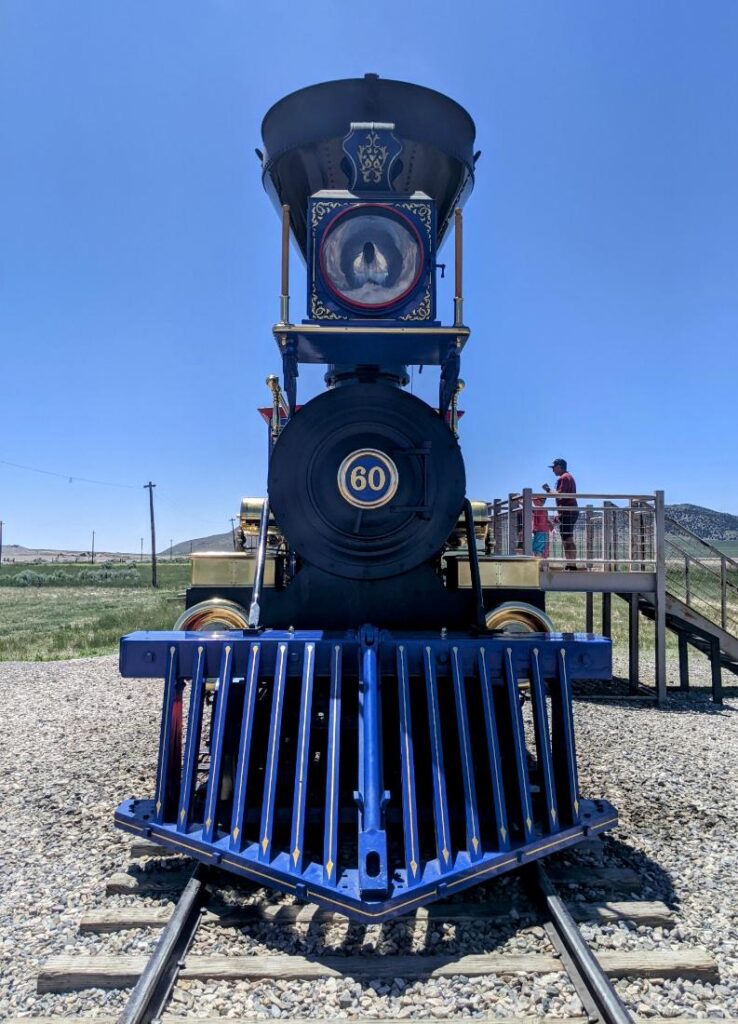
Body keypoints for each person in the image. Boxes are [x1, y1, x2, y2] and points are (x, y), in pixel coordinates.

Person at [543, 458, 579, 569]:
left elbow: (560, 495)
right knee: (567, 538)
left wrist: (548, 490)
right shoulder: (568, 477)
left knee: (567, 539)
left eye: (554, 467)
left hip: (568, 512)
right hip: (568, 511)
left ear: (559, 466)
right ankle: (571, 564)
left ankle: (572, 564)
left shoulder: (564, 478)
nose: (552, 470)